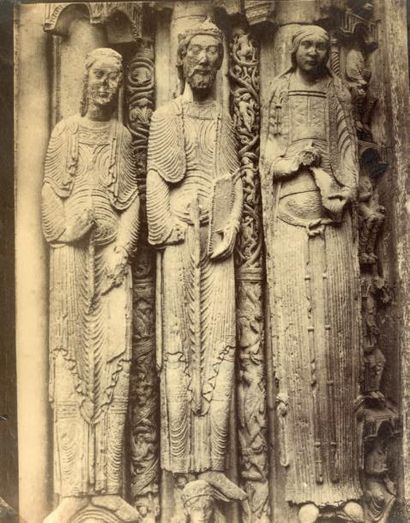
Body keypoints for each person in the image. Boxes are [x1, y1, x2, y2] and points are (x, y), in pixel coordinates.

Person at [261, 26, 364, 522]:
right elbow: (267, 151)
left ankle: (346, 485)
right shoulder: (279, 90)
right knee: (300, 357)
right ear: (292, 49)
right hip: (288, 229)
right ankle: (302, 487)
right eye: (308, 44)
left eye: (324, 46)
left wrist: (341, 191)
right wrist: (288, 163)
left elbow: (349, 151)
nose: (316, 52)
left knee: (338, 352)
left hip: (334, 228)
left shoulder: (339, 93)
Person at [146, 17, 243, 514]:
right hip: (182, 242)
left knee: (221, 343)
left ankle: (216, 469)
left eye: (214, 53)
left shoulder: (224, 119)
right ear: (181, 59)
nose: (206, 61)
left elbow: (234, 177)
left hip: (216, 246)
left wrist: (230, 226)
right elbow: (157, 184)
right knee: (181, 346)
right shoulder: (166, 118)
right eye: (197, 52)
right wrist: (170, 221)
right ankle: (186, 469)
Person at [42, 48, 140, 523]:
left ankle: (110, 487)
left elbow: (132, 200)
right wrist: (68, 227)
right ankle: (71, 492)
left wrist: (122, 248)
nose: (107, 86)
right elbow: (48, 193)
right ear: (85, 81)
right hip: (71, 261)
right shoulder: (65, 132)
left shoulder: (121, 136)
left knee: (115, 369)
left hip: (110, 266)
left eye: (114, 79)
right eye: (100, 76)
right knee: (71, 372)